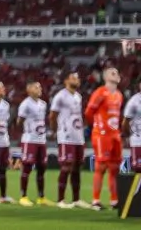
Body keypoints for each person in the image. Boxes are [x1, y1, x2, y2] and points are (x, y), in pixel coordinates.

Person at [50, 71, 91, 210]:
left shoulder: (78, 96)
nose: (77, 80)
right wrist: (56, 131)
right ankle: (60, 200)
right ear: (66, 80)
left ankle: (76, 199)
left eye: (78, 78)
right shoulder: (60, 96)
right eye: (73, 77)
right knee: (66, 167)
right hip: (66, 136)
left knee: (77, 168)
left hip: (78, 137)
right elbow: (52, 115)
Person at [85, 66, 123, 210]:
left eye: (117, 72)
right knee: (100, 167)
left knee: (114, 168)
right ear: (106, 77)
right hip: (102, 135)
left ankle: (114, 201)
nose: (117, 75)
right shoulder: (100, 92)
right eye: (113, 73)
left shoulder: (119, 94)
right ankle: (96, 200)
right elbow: (89, 112)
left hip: (115, 134)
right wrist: (97, 127)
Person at [16, 80, 54, 207]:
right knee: (27, 167)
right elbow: (19, 121)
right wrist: (28, 130)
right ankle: (23, 196)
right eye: (37, 87)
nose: (40, 89)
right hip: (29, 140)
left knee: (42, 168)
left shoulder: (43, 104)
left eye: (40, 87)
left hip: (41, 140)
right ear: (29, 90)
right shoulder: (25, 104)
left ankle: (41, 197)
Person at [123, 80, 141, 175]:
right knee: (138, 169)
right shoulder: (134, 101)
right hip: (138, 140)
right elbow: (126, 120)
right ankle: (137, 190)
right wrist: (127, 134)